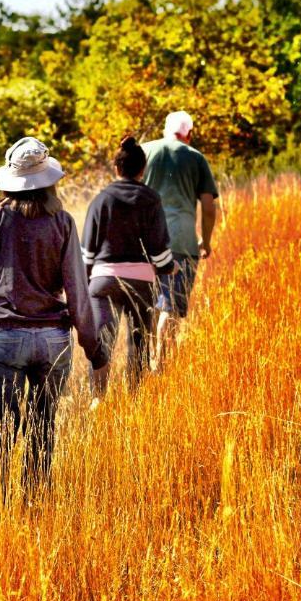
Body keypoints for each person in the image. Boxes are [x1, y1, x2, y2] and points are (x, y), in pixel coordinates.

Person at [0, 137, 107, 503]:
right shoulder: (62, 222)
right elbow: (77, 290)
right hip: (52, 341)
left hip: (3, 338)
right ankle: (34, 505)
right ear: (49, 181)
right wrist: (94, 348)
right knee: (43, 429)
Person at [82, 135, 175, 398]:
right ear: (142, 169)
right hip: (140, 281)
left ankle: (97, 399)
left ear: (116, 168)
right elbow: (159, 252)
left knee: (103, 342)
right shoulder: (151, 199)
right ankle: (134, 399)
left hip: (103, 280)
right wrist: (169, 267)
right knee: (139, 341)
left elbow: (87, 252)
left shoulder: (101, 199)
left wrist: (83, 283)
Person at [142, 111, 219, 370]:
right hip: (182, 241)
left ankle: (147, 356)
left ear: (165, 129)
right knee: (170, 305)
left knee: (149, 303)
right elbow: (208, 207)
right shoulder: (196, 158)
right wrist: (205, 241)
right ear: (190, 133)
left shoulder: (144, 151)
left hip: (143, 240)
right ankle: (161, 365)